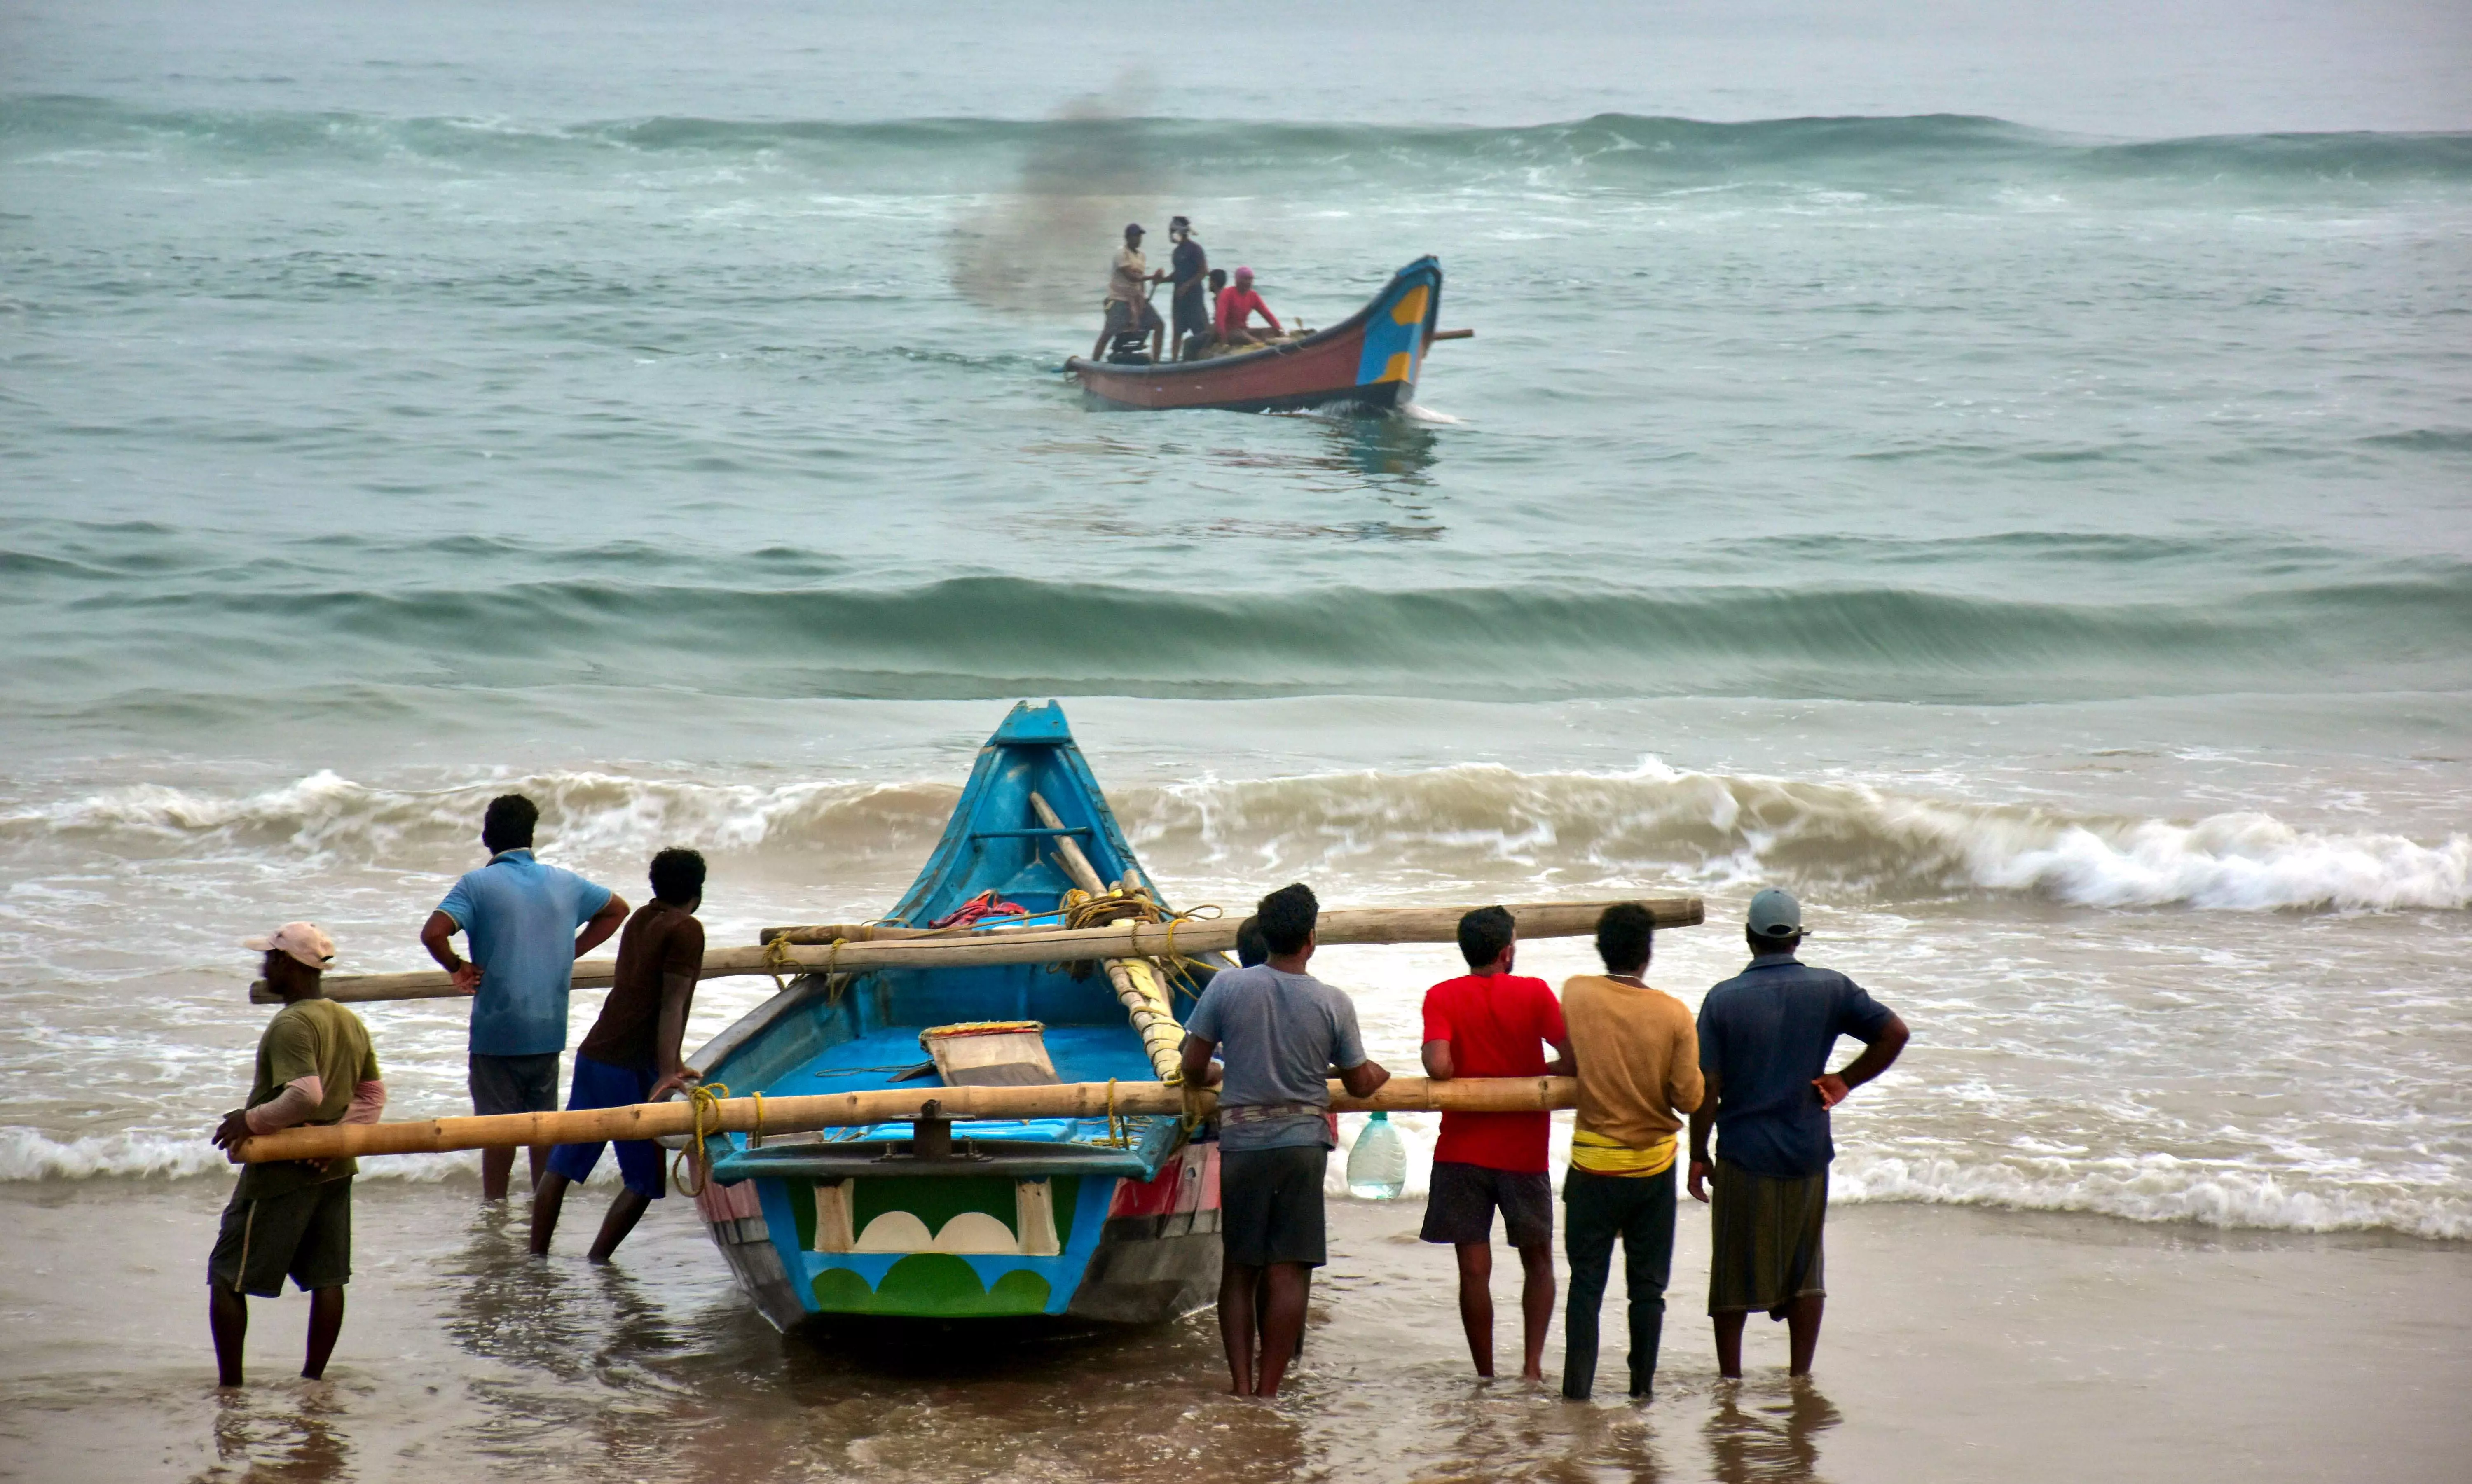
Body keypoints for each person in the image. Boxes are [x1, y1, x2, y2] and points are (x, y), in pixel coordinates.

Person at [1179, 883, 1389, 1398]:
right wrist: (1380, 1073)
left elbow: (1191, 1066)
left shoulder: (1228, 988)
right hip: (1302, 1145)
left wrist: (1217, 1076)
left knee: (1240, 1268)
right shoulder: (1332, 1002)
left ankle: (1242, 1385)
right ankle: (1271, 1391)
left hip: (1243, 1141)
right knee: (1289, 1271)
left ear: (1264, 935)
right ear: (1310, 939)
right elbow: (1361, 1082)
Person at [1688, 888, 1909, 1379]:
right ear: (1796, 940)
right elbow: (1895, 1033)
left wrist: (1698, 1153)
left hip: (1744, 1153)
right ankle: (1799, 1376)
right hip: (1808, 1149)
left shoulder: (1723, 1000)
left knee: (1732, 1271)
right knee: (1805, 1270)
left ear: (1750, 939)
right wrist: (1846, 1080)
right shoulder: (1831, 989)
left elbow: (1708, 1085)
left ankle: (1731, 1379)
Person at [420, 794, 627, 1201]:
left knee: (496, 1134)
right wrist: (569, 950)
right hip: (548, 1028)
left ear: (486, 837)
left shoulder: (476, 884)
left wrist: (457, 967)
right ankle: (542, 1214)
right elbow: (617, 910)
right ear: (531, 837)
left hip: (497, 1031)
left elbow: (433, 934)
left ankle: (495, 1215)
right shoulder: (566, 882)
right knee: (541, 1130)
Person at [208, 923, 386, 1387]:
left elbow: (305, 1095)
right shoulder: (348, 1020)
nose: (263, 965)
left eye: (269, 957)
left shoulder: (291, 1023)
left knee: (228, 1276)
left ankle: (230, 1389)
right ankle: (313, 1384)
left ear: (288, 965)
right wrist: (334, 1143)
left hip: (280, 1171)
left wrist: (250, 1122)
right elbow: (372, 1097)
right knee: (328, 1278)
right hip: (334, 1169)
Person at [531, 847, 707, 1261]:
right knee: (645, 1180)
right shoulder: (687, 930)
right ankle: (598, 1260)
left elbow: (643, 994)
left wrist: (671, 1063)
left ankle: (536, 1258)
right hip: (630, 1068)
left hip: (596, 1056)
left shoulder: (642, 919)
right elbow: (671, 1003)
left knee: (563, 1164)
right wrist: (668, 1072)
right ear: (697, 889)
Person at [1419, 905, 1571, 1382]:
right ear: (1508, 951)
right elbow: (1575, 1056)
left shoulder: (1442, 995)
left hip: (1461, 1148)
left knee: (1473, 1270)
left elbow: (1440, 1068)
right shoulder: (1534, 992)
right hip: (1523, 1150)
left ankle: (1485, 1373)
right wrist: (1537, 1075)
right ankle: (1531, 1368)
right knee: (1539, 1260)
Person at [1558, 902, 1703, 1402]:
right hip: (1652, 1171)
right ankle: (1641, 1392)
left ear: (1601, 948)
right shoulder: (1674, 1014)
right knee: (1647, 1291)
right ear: (1648, 954)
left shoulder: (1576, 992)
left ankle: (1576, 1393)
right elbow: (1689, 1098)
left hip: (1592, 1166)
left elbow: (1572, 1058)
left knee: (1586, 1287)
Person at [1090, 221, 1165, 363]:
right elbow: (1131, 277)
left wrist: (1144, 296)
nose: (1139, 239)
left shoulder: (1142, 256)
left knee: (1159, 325)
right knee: (1108, 332)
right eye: (1136, 236)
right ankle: (1094, 363)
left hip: (1136, 299)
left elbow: (1141, 280)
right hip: (1119, 299)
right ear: (1128, 238)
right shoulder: (1121, 254)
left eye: (1140, 236)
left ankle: (1156, 363)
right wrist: (1152, 277)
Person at [1166, 215, 1210, 360]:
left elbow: (1203, 271)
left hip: (1194, 298)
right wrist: (1161, 280)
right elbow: (1177, 274)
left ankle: (1203, 359)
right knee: (1177, 331)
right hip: (1179, 299)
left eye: (1173, 231)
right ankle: (1174, 362)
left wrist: (1187, 286)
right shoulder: (1177, 252)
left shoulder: (1195, 249)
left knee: (1201, 331)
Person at [1214, 266, 1283, 348]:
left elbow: (1267, 314)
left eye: (1250, 279)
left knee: (1272, 331)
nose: (1248, 282)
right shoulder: (1227, 294)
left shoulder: (1253, 296)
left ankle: (1264, 343)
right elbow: (1220, 319)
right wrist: (1224, 342)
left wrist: (1279, 329)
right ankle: (1262, 345)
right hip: (1230, 332)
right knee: (1240, 335)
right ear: (1237, 280)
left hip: (1245, 330)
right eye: (1245, 279)